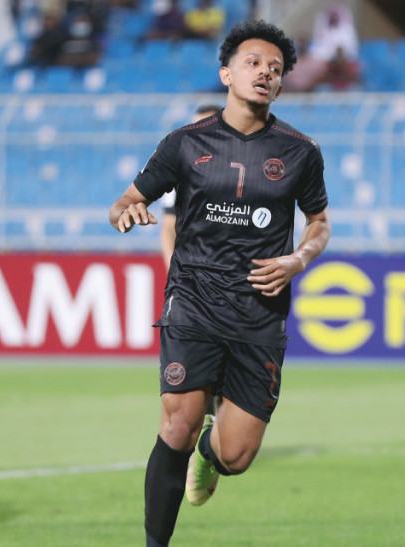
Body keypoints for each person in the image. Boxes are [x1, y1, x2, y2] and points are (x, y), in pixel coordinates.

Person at [108, 20, 331, 546]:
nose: (266, 73)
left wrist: (298, 260)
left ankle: (210, 454)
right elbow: (125, 201)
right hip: (194, 302)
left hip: (259, 313)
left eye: (275, 68)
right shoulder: (184, 144)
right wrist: (126, 212)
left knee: (236, 455)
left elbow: (319, 223)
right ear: (227, 73)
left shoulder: (301, 151)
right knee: (177, 424)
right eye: (254, 63)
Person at [157, 103, 222, 272]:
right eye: (195, 127)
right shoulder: (180, 169)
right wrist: (173, 270)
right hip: (194, 269)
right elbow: (169, 226)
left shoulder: (247, 167)